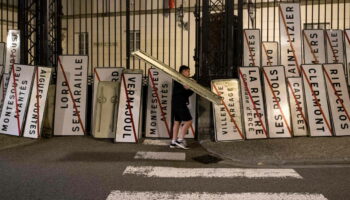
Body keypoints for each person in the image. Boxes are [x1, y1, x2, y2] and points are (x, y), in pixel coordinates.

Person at [170, 65, 194, 149]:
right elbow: (186, 92)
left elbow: (187, 93)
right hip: (180, 103)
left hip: (175, 103)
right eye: (188, 71)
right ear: (183, 72)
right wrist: (190, 87)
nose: (189, 73)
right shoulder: (181, 80)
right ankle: (179, 140)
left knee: (177, 122)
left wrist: (190, 88)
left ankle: (173, 141)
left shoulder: (178, 80)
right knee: (189, 121)